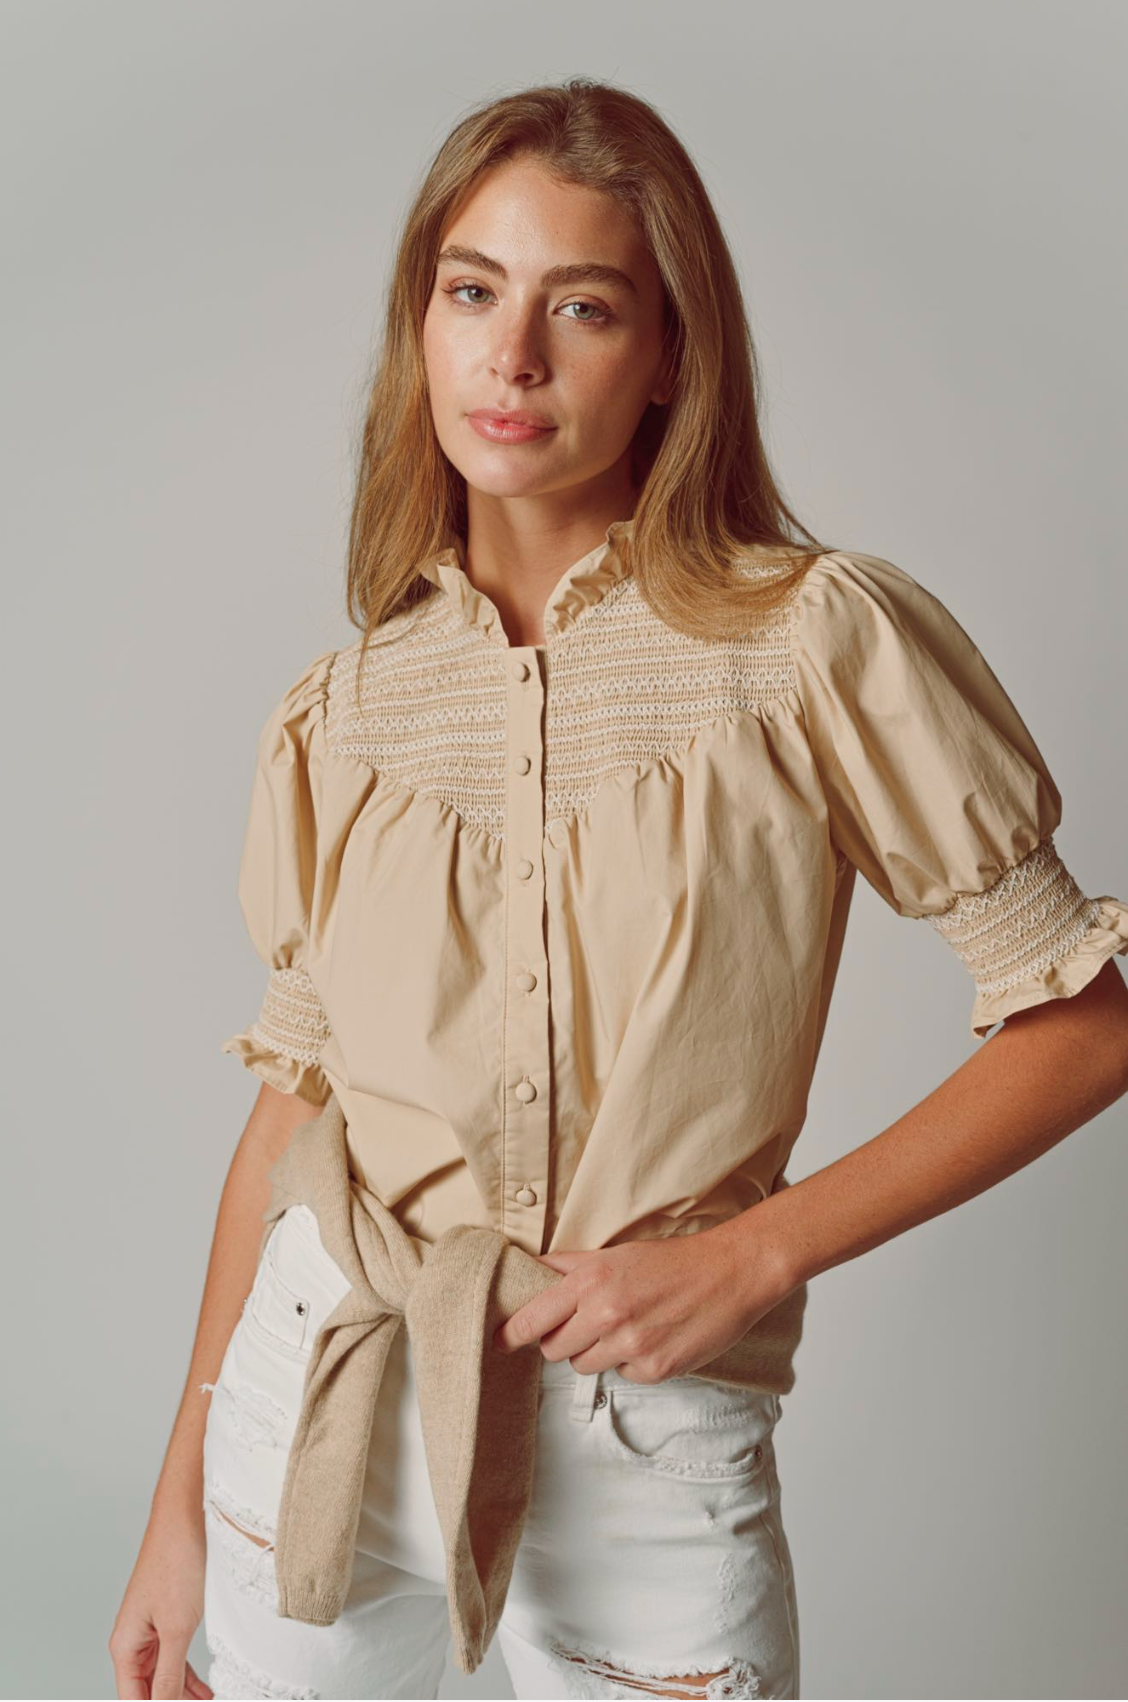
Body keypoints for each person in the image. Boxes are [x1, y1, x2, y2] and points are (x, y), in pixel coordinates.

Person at [109, 78, 1128, 1702]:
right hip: (321, 1394)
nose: (511, 357)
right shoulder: (347, 709)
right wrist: (174, 1501)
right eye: (471, 291)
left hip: (641, 1429)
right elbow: (291, 1108)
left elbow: (1085, 1024)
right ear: (421, 325)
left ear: (668, 355)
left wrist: (758, 1255)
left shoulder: (807, 644)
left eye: (581, 307)